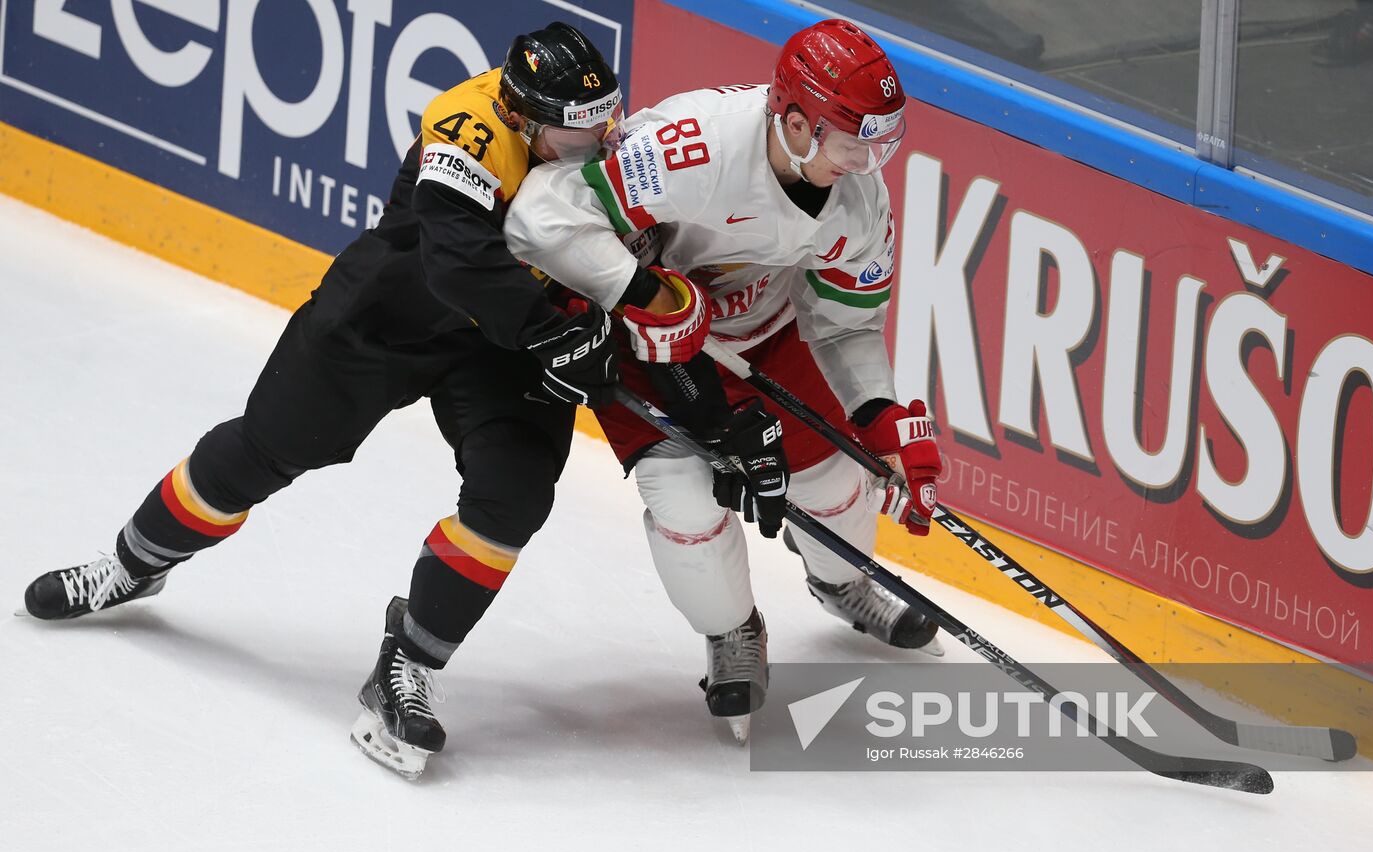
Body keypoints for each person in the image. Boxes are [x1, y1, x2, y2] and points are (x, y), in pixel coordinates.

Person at [22, 23, 624, 779]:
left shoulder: (604, 146)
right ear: (522, 120)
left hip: (502, 350)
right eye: (576, 137)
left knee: (516, 493)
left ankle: (408, 661)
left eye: (605, 120)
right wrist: (550, 330)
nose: (598, 146)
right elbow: (458, 261)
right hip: (389, 316)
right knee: (262, 450)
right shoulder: (465, 127)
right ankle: (132, 563)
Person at [505, 19, 945, 739]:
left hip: (765, 335)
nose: (869, 162)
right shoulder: (691, 146)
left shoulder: (859, 202)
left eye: (879, 142)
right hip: (658, 346)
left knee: (834, 486)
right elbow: (539, 217)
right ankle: (733, 632)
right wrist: (644, 294)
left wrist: (881, 417)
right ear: (797, 123)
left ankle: (842, 582)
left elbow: (845, 324)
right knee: (684, 506)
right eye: (854, 140)